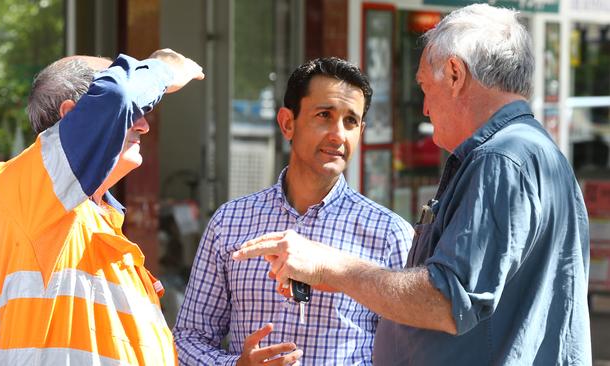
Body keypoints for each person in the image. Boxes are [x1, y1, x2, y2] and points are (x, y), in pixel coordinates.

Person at [233, 4, 592, 365]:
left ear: (454, 74)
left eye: (424, 86)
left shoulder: (501, 159)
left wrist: (331, 266)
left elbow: (448, 300)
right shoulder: (533, 153)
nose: (423, 108)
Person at [173, 57, 413, 365]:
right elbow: (189, 339)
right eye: (324, 115)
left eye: (350, 121)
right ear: (288, 123)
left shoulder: (389, 234)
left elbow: (411, 353)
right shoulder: (230, 222)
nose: (338, 134)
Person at [0, 48, 204, 365]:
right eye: (132, 114)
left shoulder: (98, 221)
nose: (143, 126)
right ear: (73, 118)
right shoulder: (27, 188)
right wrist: (165, 68)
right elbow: (117, 95)